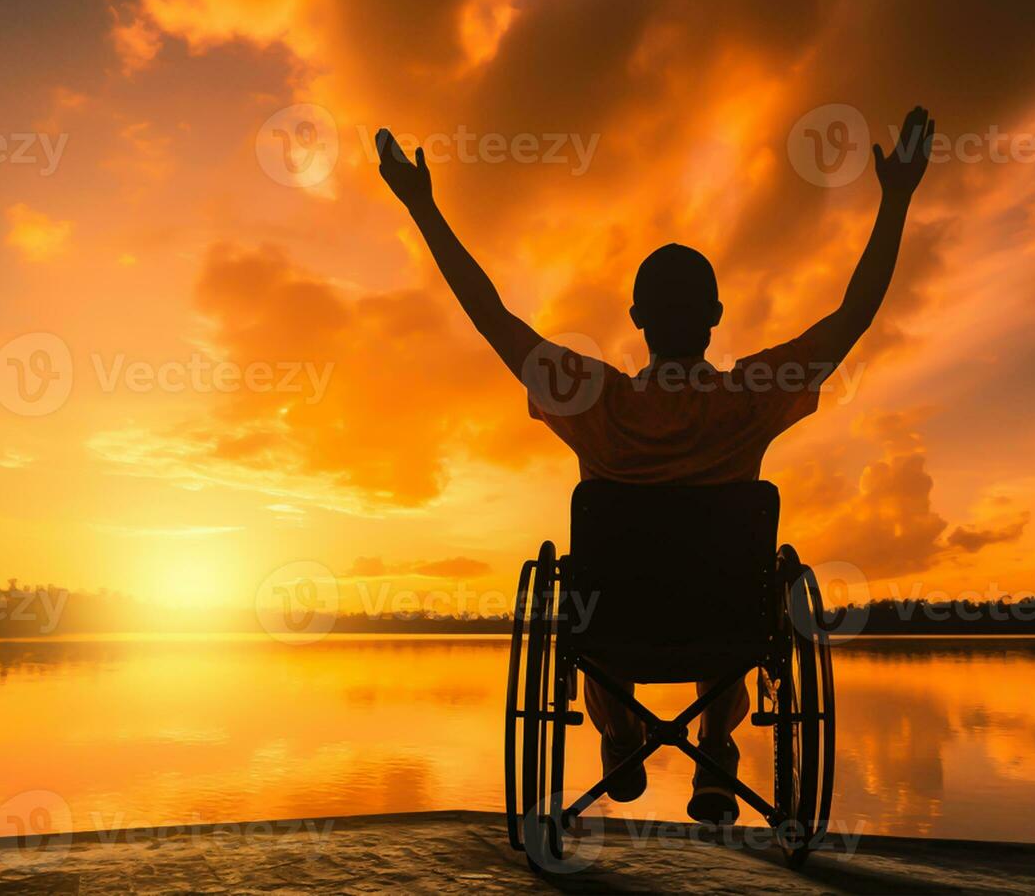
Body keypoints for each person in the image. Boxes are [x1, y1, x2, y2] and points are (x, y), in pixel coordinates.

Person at [376, 106, 934, 823]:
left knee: (590, 591)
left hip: (614, 629)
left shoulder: (595, 400)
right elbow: (851, 316)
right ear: (714, 316)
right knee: (743, 594)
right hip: (724, 625)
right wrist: (895, 198)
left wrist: (420, 206)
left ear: (637, 318)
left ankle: (617, 732)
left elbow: (492, 318)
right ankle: (717, 743)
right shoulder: (747, 398)